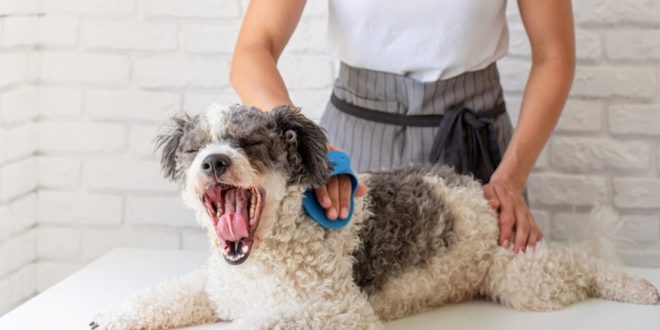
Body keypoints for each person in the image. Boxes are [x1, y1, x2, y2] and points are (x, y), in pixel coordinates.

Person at [230, 0, 575, 254]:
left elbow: (553, 56)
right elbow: (253, 50)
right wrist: (306, 145)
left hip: (481, 161)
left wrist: (511, 180)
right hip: (351, 159)